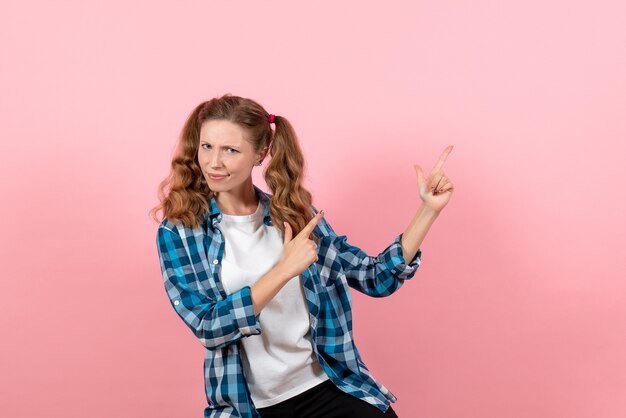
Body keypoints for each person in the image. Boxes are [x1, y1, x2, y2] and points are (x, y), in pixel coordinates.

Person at [151, 93, 454, 418]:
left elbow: (375, 277)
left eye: (231, 150)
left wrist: (428, 210)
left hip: (326, 387)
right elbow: (209, 327)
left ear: (261, 153)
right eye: (207, 146)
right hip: (249, 407)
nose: (213, 162)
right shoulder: (180, 231)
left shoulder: (293, 215)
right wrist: (283, 271)